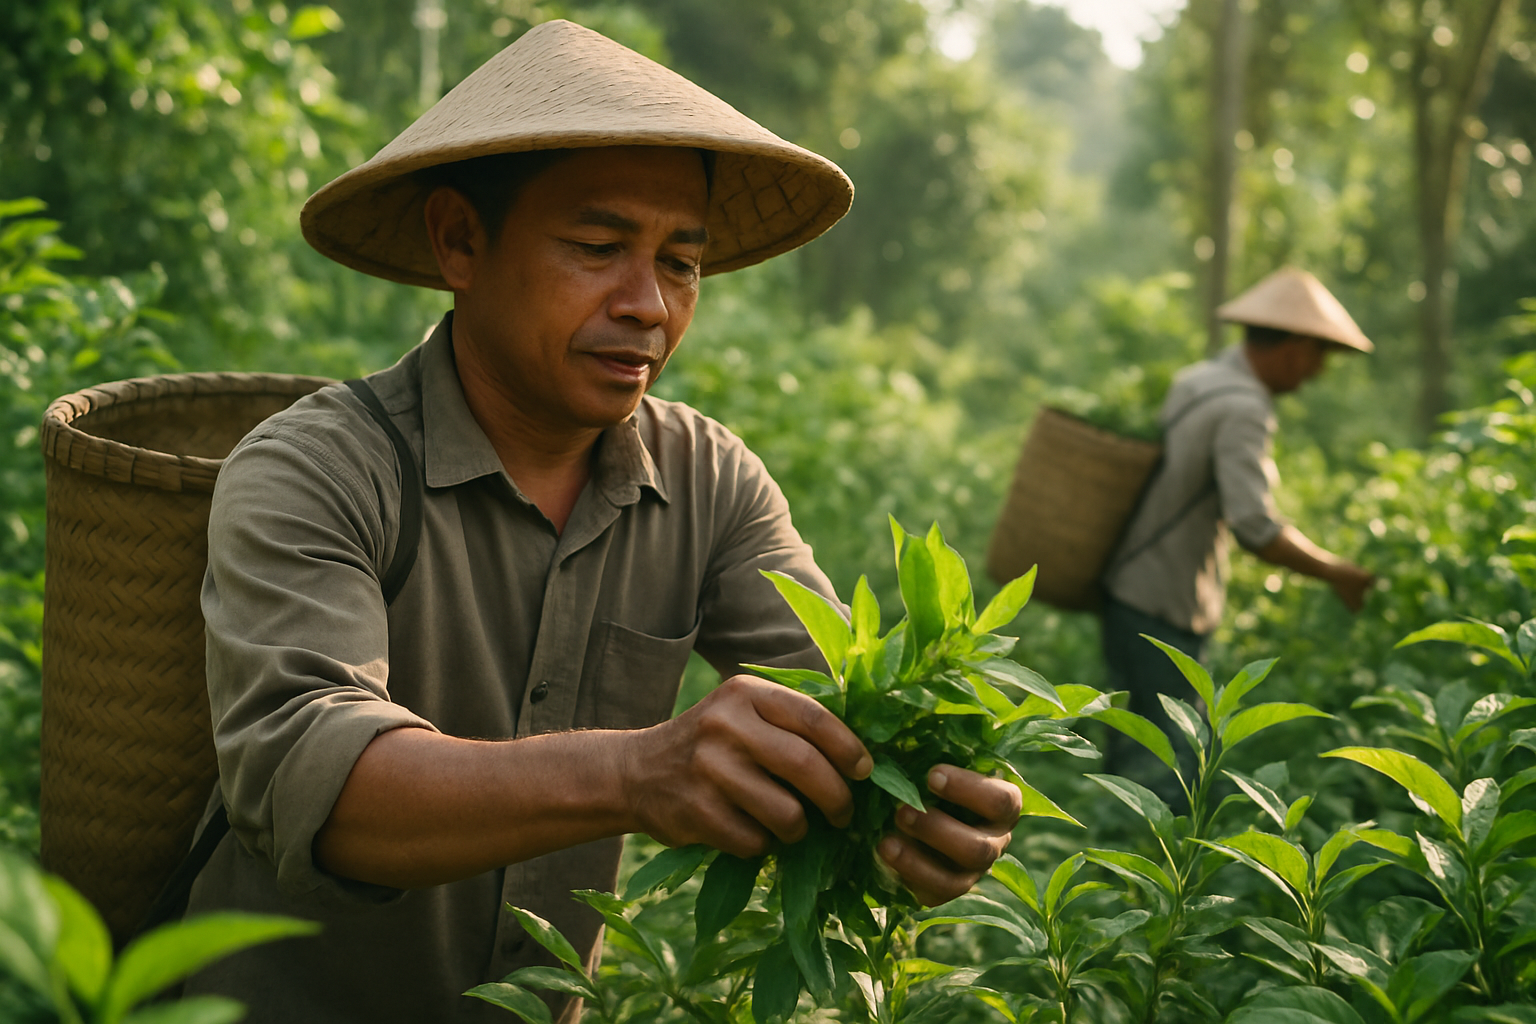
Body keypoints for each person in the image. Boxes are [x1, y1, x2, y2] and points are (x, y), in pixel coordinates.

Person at [182, 20, 1022, 1022]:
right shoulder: (317, 468)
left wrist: (917, 798)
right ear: (459, 239)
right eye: (598, 247)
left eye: (681, 263)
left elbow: (838, 708)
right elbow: (313, 779)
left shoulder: (707, 481)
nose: (648, 306)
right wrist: (635, 769)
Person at [1098, 267, 1376, 786]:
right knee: (1171, 774)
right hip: (1165, 608)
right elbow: (1255, 527)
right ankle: (1147, 861)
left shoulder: (1196, 380)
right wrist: (1339, 572)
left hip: (1127, 590)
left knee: (1132, 754)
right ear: (1294, 345)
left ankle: (1109, 857)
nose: (1316, 372)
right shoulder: (1245, 406)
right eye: (1318, 356)